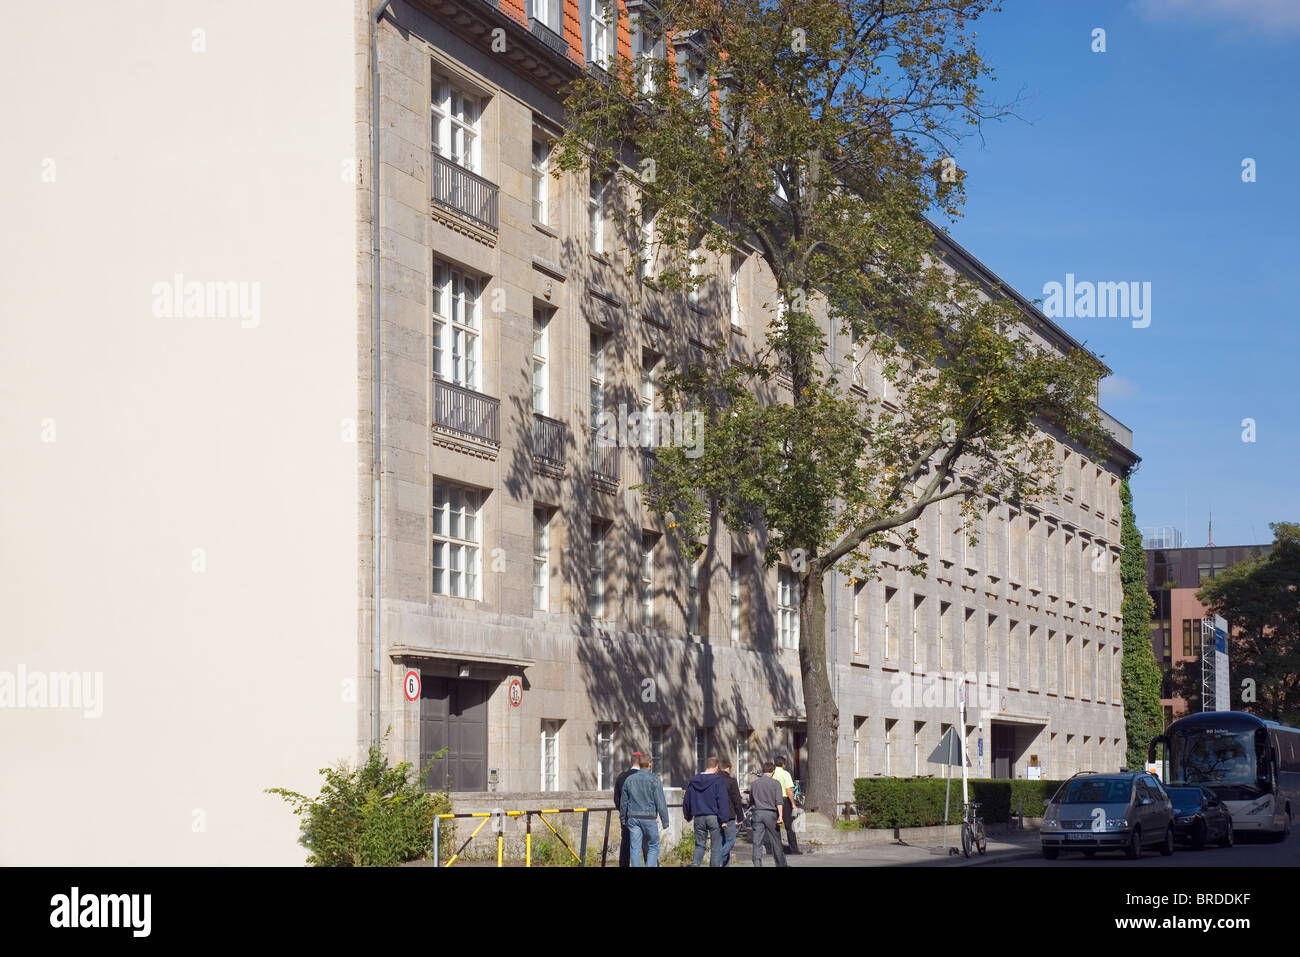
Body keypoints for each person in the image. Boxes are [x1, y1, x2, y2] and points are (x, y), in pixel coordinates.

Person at [619, 752, 670, 866]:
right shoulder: (654, 780)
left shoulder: (629, 780)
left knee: (635, 848)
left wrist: (623, 818)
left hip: (633, 818)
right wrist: (665, 821)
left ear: (640, 764)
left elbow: (624, 802)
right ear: (650, 764)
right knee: (653, 846)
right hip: (649, 818)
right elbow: (660, 802)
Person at [682, 756, 730, 867]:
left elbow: (687, 800)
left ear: (707, 766)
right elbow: (722, 800)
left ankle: (695, 864)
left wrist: (688, 815)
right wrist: (724, 819)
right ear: (717, 767)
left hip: (698, 817)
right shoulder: (718, 781)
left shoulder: (693, 781)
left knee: (699, 845)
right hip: (713, 817)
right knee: (716, 846)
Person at [748, 762, 788, 867]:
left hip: (757, 813)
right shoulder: (776, 783)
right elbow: (779, 801)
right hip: (771, 814)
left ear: (763, 770)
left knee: (757, 842)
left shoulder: (755, 784)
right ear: (773, 772)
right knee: (776, 841)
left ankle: (757, 864)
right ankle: (781, 864)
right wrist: (780, 816)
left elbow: (751, 801)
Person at [613, 750, 646, 867]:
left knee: (626, 844)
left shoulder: (621, 777)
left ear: (631, 762)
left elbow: (617, 799)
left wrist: (623, 812)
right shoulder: (645, 777)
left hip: (626, 816)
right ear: (641, 763)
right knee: (646, 845)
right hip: (644, 815)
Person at [716, 758, 744, 867]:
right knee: (731, 841)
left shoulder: (714, 780)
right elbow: (737, 800)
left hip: (716, 815)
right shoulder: (732, 781)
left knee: (723, 841)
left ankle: (725, 865)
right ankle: (717, 861)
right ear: (728, 768)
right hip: (729, 815)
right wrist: (740, 817)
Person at [771, 755, 801, 855]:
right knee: (789, 826)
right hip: (784, 801)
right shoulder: (785, 774)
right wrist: (793, 804)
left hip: (773, 801)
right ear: (783, 764)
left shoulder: (772, 774)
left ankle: (776, 849)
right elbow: (789, 790)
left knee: (775, 826)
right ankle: (794, 849)